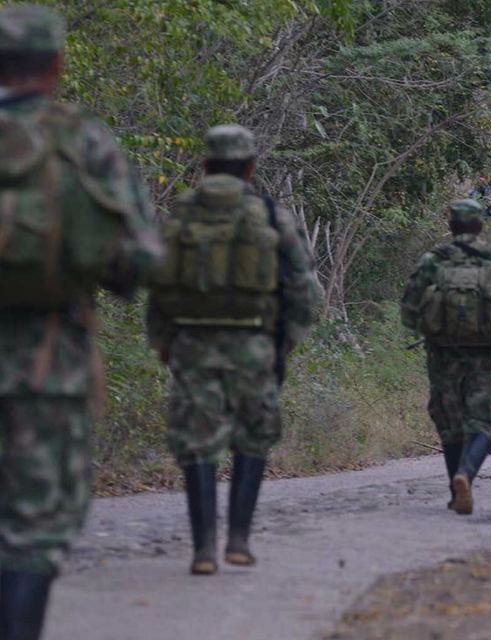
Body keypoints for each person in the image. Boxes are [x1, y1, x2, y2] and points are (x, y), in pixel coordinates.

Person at [0, 5, 161, 632]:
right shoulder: (83, 140)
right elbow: (141, 254)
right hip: (51, 360)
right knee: (37, 525)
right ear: (58, 66)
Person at [146, 124, 321, 575]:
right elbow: (304, 287)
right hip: (254, 344)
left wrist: (163, 340)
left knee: (197, 442)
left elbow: (160, 284)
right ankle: (238, 541)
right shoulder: (270, 215)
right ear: (251, 167)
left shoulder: (182, 213)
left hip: (192, 342)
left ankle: (204, 548)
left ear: (204, 165)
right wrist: (288, 341)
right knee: (253, 435)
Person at [400, 199, 491, 516]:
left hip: (442, 354)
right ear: (480, 225)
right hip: (486, 354)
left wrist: (433, 330)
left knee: (450, 422)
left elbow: (408, 311)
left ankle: (455, 490)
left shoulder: (435, 259)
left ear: (451, 225)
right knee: (486, 422)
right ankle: (466, 476)